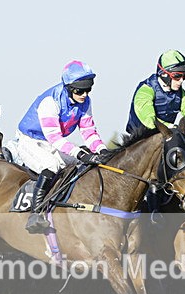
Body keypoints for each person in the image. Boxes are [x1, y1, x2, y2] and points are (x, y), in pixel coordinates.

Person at [13, 60, 111, 234]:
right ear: (68, 87)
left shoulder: (86, 102)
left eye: (88, 89)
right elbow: (55, 138)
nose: (84, 94)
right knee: (51, 166)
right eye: (80, 90)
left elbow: (89, 132)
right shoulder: (50, 102)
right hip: (30, 140)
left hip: (51, 143)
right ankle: (35, 214)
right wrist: (80, 153)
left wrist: (102, 150)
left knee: (82, 167)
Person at [125, 50, 185, 136]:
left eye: (184, 76)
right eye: (177, 76)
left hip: (165, 135)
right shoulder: (146, 90)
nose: (181, 81)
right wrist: (173, 127)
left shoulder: (181, 93)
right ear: (164, 74)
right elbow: (149, 120)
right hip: (139, 139)